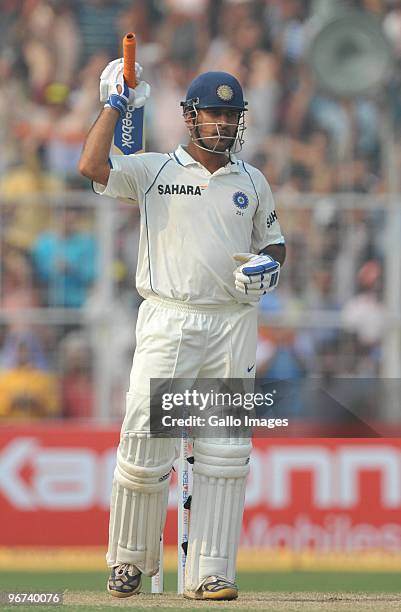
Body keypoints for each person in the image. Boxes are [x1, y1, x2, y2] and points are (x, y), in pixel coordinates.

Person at [79, 60, 285, 601]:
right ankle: (128, 562)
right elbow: (91, 165)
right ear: (190, 117)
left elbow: (274, 242)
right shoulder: (152, 171)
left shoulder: (252, 180)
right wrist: (116, 105)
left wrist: (270, 266)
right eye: (213, 113)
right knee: (146, 442)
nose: (222, 123)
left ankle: (211, 572)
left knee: (224, 453)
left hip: (234, 321)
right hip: (169, 317)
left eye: (231, 115)